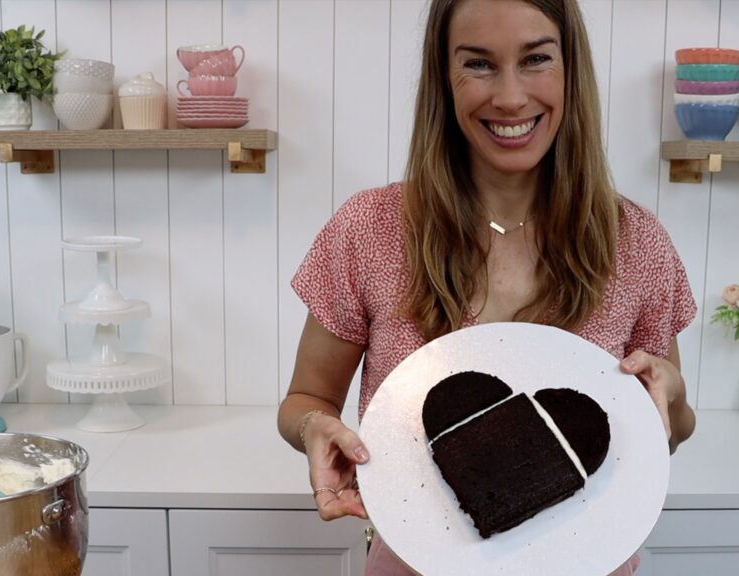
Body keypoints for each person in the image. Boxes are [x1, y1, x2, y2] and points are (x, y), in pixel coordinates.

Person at [278, 0, 697, 573]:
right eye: (478, 64)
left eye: (535, 59)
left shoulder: (637, 243)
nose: (509, 97)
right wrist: (312, 430)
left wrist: (670, 399)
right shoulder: (368, 229)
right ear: (443, 78)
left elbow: (672, 430)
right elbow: (306, 401)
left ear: (570, 70)